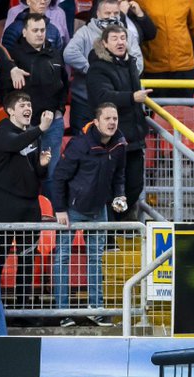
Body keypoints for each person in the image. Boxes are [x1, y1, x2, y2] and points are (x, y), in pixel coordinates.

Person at [52, 103, 127, 328]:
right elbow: (59, 178)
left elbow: (119, 176)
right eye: (107, 119)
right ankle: (62, 312)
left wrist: (119, 196)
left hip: (98, 210)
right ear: (96, 122)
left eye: (115, 118)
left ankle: (97, 310)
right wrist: (60, 209)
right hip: (72, 209)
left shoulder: (120, 144)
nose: (112, 122)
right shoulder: (79, 144)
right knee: (62, 258)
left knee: (96, 259)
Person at [0, 91, 53, 309]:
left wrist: (42, 167)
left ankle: (23, 308)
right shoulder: (3, 130)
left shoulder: (34, 134)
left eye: (30, 105)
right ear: (10, 111)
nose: (28, 109)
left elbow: (35, 172)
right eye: (23, 105)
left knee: (27, 260)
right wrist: (40, 129)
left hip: (29, 204)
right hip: (5, 203)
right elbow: (14, 144)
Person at [2, 13, 68, 200]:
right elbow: (4, 90)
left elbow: (64, 85)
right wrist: (17, 118)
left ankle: (52, 218)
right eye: (35, 30)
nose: (40, 34)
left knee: (52, 173)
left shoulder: (55, 52)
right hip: (25, 126)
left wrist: (60, 109)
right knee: (25, 171)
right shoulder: (14, 56)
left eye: (43, 30)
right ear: (24, 32)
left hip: (52, 123)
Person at [87, 24, 150, 219]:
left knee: (135, 185)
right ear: (104, 43)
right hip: (112, 139)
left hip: (134, 137)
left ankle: (117, 223)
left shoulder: (130, 63)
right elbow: (102, 97)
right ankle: (109, 232)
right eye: (114, 38)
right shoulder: (98, 67)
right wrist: (132, 97)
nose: (120, 42)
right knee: (112, 187)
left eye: (123, 37)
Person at [63, 0, 144, 135]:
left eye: (115, 13)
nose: (111, 16)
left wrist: (119, 73)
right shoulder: (85, 31)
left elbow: (138, 61)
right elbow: (69, 53)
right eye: (107, 13)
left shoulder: (126, 34)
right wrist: (92, 70)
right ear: (98, 13)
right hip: (85, 101)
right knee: (84, 147)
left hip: (118, 103)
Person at [135, 0, 194, 98]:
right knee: (157, 111)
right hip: (154, 68)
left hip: (184, 66)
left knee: (184, 110)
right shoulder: (140, 1)